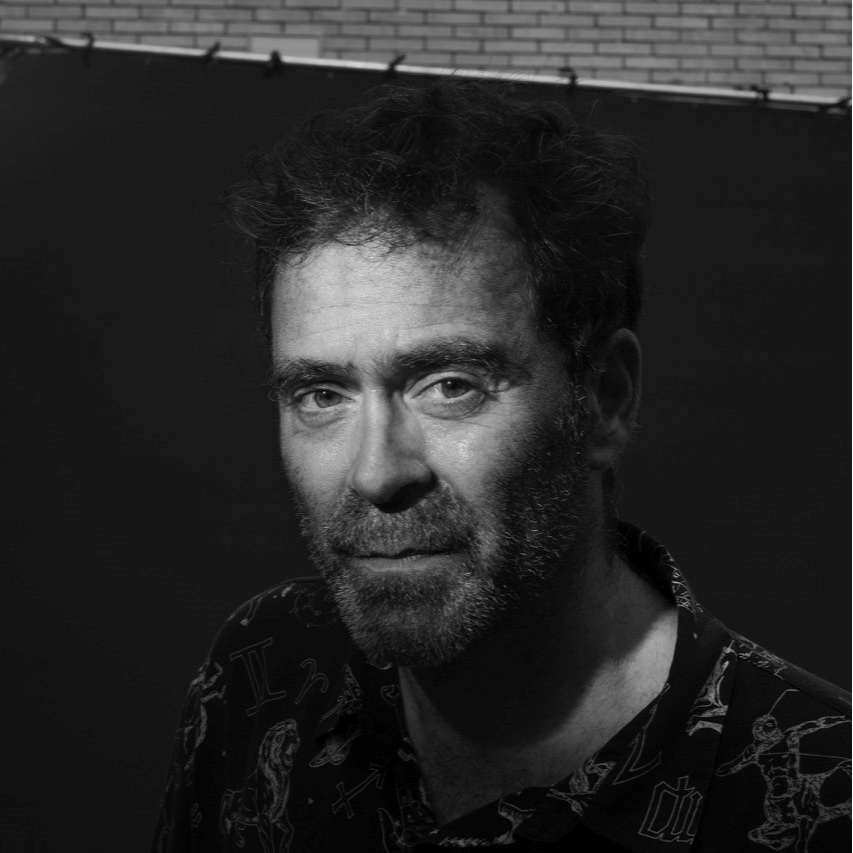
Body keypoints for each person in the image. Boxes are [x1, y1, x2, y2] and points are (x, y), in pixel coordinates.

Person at [152, 80, 851, 852]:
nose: (377, 473)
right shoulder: (264, 671)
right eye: (322, 394)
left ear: (604, 397)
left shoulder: (823, 800)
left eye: (449, 385)